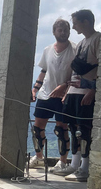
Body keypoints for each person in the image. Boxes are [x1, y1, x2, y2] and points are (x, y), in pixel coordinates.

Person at [29, 19, 77, 172]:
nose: (63, 33)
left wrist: (64, 85)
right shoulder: (48, 50)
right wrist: (35, 89)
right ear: (54, 32)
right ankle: (39, 158)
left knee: (61, 129)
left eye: (65, 30)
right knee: (37, 128)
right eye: (60, 30)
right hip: (46, 93)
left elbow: (78, 75)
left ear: (69, 32)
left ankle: (62, 163)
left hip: (65, 95)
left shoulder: (75, 49)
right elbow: (43, 71)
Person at [59, 9, 100, 181]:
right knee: (73, 127)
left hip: (85, 90)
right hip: (74, 90)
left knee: (84, 129)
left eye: (76, 22)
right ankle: (74, 164)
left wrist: (93, 90)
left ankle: (85, 167)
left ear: (86, 22)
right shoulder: (82, 42)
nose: (74, 26)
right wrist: (67, 90)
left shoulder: (98, 39)